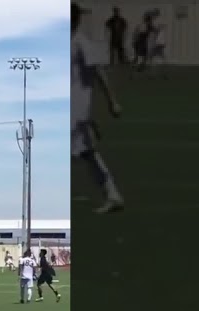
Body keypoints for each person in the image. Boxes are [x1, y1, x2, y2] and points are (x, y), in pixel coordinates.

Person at [73, 2, 124, 214]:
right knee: (87, 154)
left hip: (75, 111)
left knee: (86, 153)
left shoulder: (81, 43)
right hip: (70, 110)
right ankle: (113, 195)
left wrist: (112, 101)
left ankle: (113, 195)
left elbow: (99, 73)